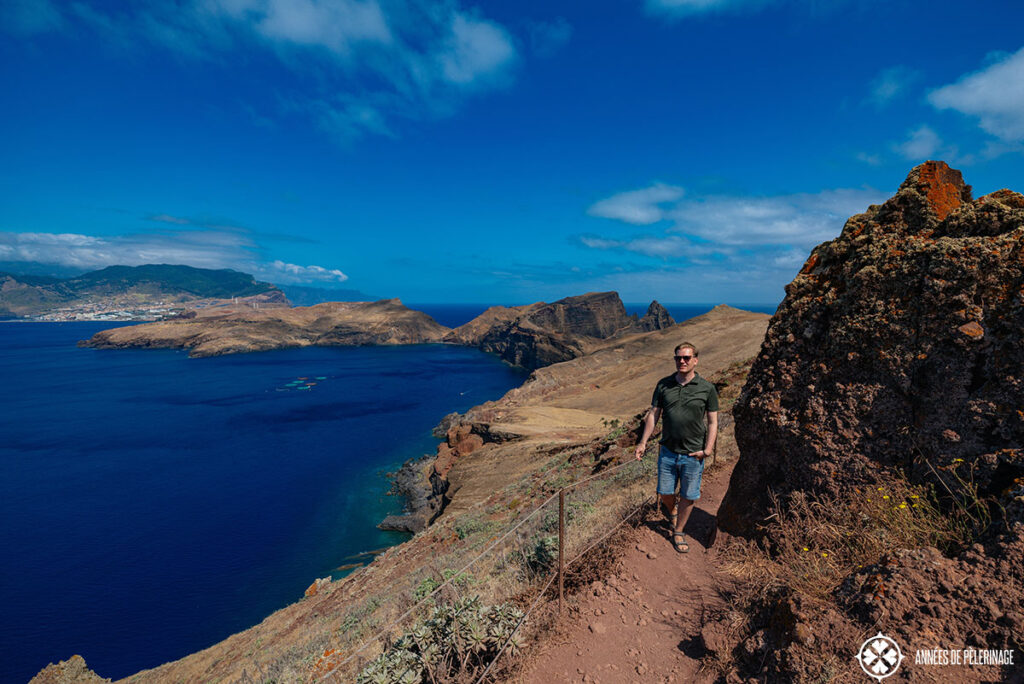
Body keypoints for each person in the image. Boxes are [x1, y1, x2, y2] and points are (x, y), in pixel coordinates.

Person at [633, 342, 718, 553]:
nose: (682, 361)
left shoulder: (707, 388)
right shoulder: (664, 385)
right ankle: (672, 512)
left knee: (689, 495)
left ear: (695, 360)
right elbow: (654, 414)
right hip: (668, 451)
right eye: (678, 358)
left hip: (693, 454)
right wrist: (643, 442)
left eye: (687, 358)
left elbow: (713, 422)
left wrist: (707, 450)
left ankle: (678, 531)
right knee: (664, 492)